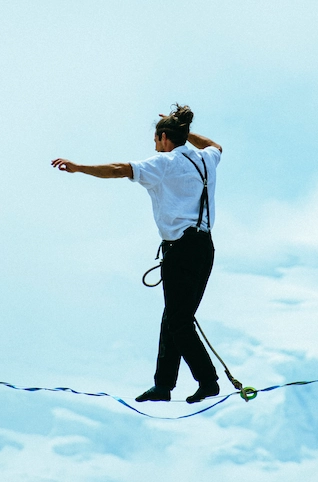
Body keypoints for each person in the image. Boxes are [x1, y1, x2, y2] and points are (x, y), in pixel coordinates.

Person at [51, 104, 222, 404]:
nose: (155, 146)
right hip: (204, 249)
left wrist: (79, 168)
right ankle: (163, 386)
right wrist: (186, 133)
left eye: (156, 140)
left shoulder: (165, 163)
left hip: (181, 250)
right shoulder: (206, 159)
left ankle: (208, 381)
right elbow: (215, 146)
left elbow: (119, 169)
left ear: (164, 138)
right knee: (174, 317)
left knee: (179, 321)